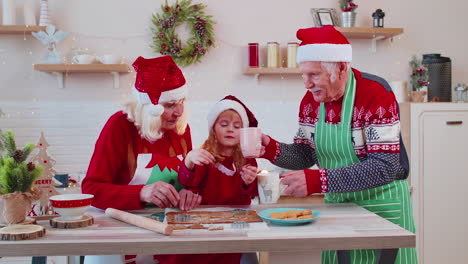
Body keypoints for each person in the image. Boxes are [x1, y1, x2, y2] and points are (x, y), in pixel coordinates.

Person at [260, 25, 418, 264]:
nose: (306, 83)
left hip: (382, 209)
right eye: (303, 74)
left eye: (313, 74)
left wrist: (317, 181)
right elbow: (305, 154)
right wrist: (270, 148)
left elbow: (384, 167)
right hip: (341, 208)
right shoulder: (311, 102)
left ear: (341, 68)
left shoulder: (376, 94)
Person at [82, 56, 202, 264]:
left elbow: (187, 179)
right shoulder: (119, 127)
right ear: (150, 106)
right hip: (121, 235)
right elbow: (91, 189)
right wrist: (141, 192)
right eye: (171, 104)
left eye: (181, 102)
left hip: (167, 233)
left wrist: (190, 192)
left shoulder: (181, 129)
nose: (179, 111)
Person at [156, 95, 259, 264]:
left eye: (237, 126)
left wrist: (249, 182)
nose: (230, 129)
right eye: (224, 125)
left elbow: (252, 193)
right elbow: (187, 180)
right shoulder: (206, 155)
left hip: (234, 226)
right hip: (205, 225)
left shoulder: (248, 159)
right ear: (213, 129)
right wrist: (189, 160)